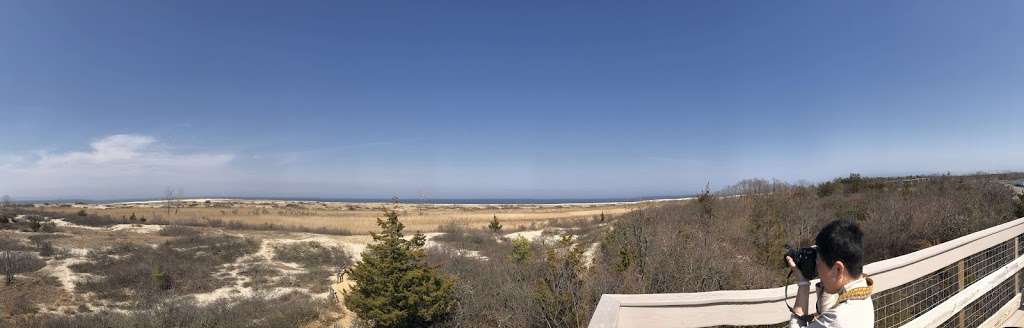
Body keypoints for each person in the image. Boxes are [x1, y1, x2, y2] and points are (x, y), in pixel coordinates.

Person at [785, 219, 874, 328]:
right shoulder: (863, 298)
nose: (817, 271)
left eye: (818, 263)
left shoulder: (836, 319)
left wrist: (803, 284)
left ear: (837, 269)